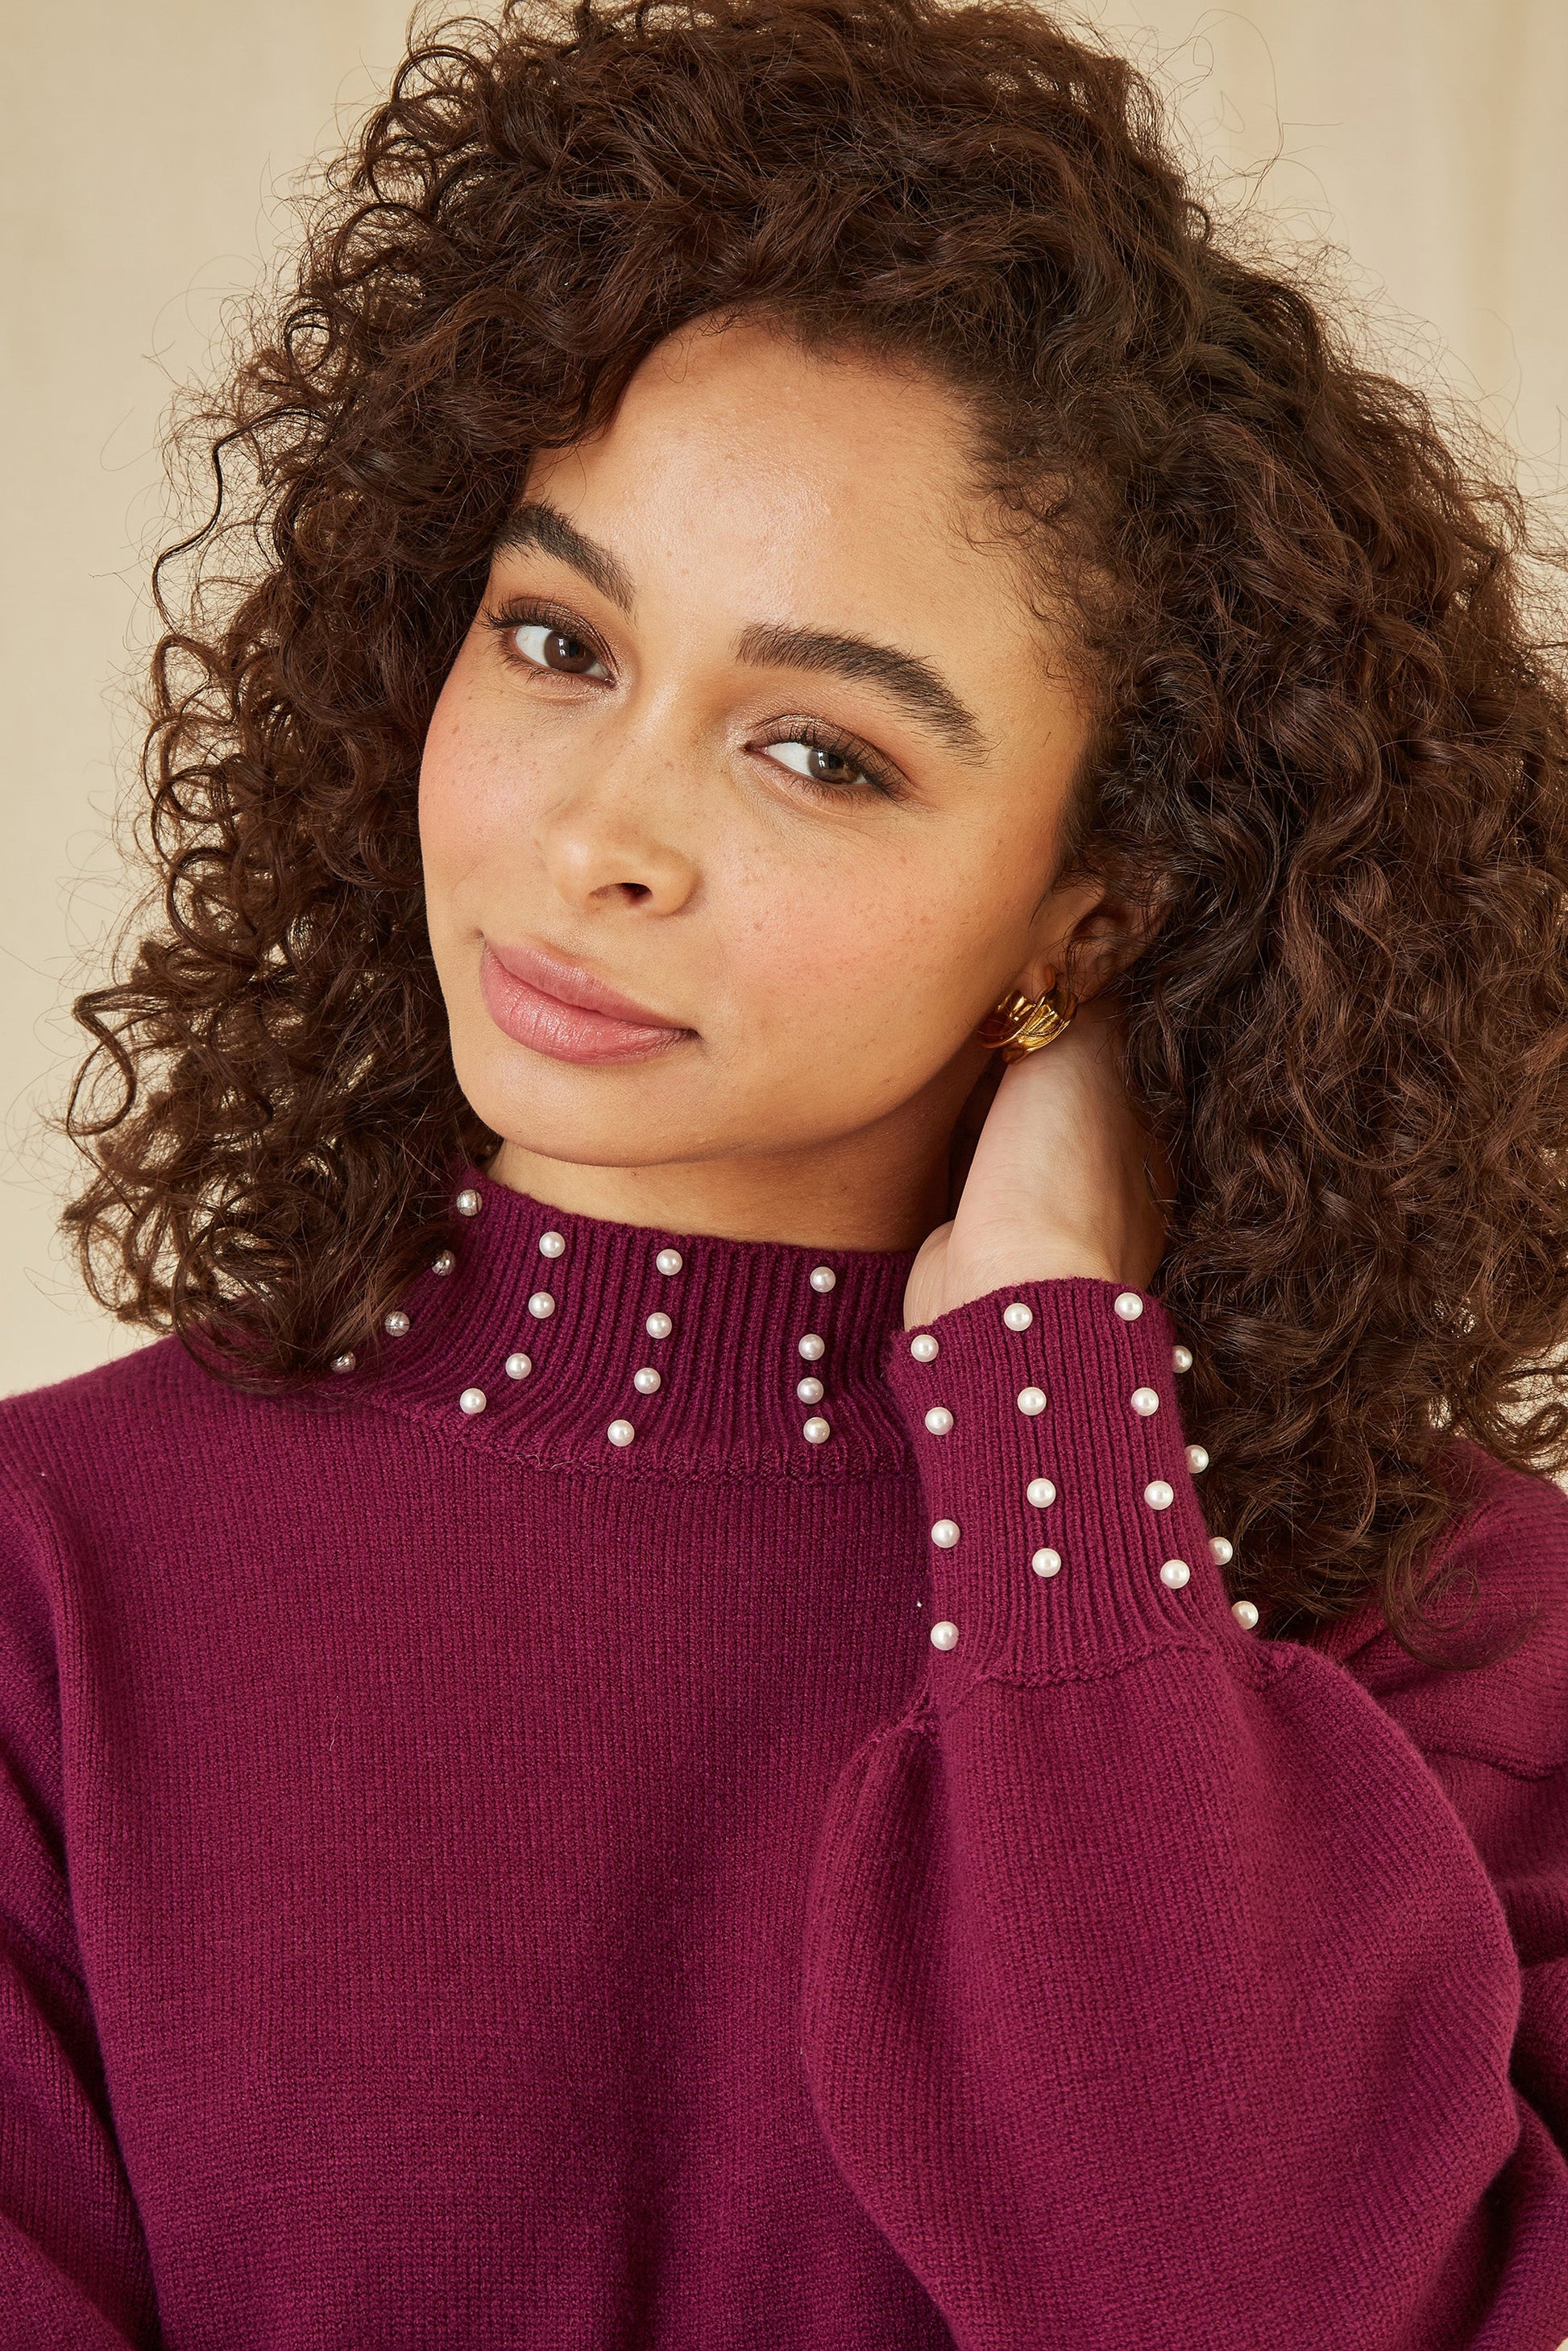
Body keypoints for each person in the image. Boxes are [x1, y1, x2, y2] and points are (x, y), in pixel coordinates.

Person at [2, 0, 1566, 2341]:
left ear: (1093, 907)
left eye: (818, 753)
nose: (603, 835)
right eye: (554, 639)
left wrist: (1054, 1396)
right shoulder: (56, 1580)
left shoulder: (1442, 1618)